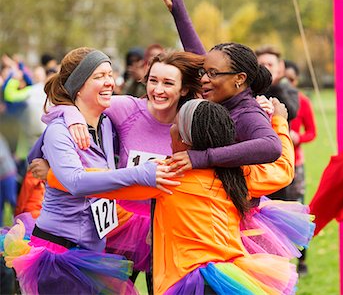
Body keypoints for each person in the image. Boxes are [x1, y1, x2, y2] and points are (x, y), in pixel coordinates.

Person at [45, 98, 307, 295]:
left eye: (173, 125)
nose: (169, 129)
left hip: (185, 282)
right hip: (235, 279)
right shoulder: (238, 174)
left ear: (183, 138)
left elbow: (100, 185)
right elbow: (283, 170)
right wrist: (279, 122)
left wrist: (55, 175)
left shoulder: (167, 175)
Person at [1, 47, 178, 295]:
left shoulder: (106, 125)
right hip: (59, 255)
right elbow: (76, 182)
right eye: (98, 76)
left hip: (92, 255)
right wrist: (142, 172)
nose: (109, 82)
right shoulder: (60, 131)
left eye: (109, 74)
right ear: (79, 86)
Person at [162, 0, 314, 259]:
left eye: (211, 74)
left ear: (239, 79)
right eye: (203, 73)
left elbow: (271, 146)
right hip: (209, 217)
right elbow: (202, 56)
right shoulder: (222, 95)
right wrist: (178, 10)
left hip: (235, 230)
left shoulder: (248, 113)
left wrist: (201, 158)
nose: (204, 80)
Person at [283, 59, 317, 275]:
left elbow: (312, 132)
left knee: (299, 214)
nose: (287, 82)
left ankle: (302, 260)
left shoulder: (302, 101)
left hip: (296, 165)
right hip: (275, 166)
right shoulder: (270, 100)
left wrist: (298, 137)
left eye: (291, 79)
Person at [255, 45, 299, 121]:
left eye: (270, 64)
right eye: (262, 65)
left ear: (279, 66)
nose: (266, 68)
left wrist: (276, 85)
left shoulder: (288, 88)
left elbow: (292, 113)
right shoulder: (250, 88)